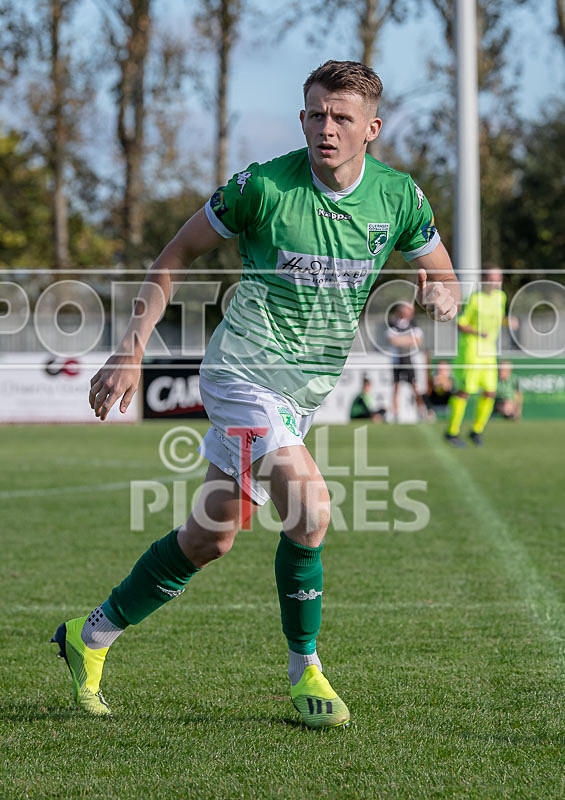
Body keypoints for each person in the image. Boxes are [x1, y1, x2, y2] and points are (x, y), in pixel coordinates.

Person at [51, 60, 460, 728]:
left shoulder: (398, 198)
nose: (323, 128)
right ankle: (307, 674)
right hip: (243, 371)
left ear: (371, 130)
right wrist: (129, 350)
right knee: (312, 510)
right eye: (314, 114)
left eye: (340, 117)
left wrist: (442, 292)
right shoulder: (263, 187)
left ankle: (88, 636)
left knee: (209, 537)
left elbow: (442, 272)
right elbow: (174, 256)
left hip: (301, 392)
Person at [445, 263, 511, 447]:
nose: (495, 282)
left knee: (490, 391)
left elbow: (497, 319)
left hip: (489, 352)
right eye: (491, 279)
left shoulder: (501, 297)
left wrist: (508, 322)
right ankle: (451, 431)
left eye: (498, 279)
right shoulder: (475, 299)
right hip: (471, 350)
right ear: (484, 280)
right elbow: (460, 323)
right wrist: (476, 332)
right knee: (464, 392)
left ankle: (477, 430)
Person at [385, 301, 428, 421]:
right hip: (397, 360)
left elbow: (417, 341)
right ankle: (395, 413)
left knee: (415, 387)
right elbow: (393, 340)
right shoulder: (393, 325)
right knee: (396, 387)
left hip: (409, 360)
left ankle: (421, 411)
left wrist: (401, 340)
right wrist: (407, 339)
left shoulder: (413, 325)